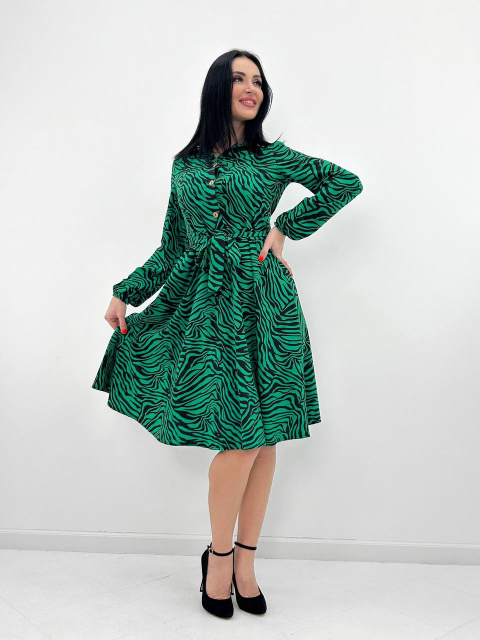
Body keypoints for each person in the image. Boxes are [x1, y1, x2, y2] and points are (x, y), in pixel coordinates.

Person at [92, 48, 363, 619]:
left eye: (258, 80)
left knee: (264, 438)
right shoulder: (185, 166)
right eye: (239, 78)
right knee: (240, 439)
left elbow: (345, 183)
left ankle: (244, 561)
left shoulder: (272, 157)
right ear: (218, 88)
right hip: (206, 312)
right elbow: (173, 245)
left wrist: (285, 227)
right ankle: (218, 557)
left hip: (267, 307)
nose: (251, 88)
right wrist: (127, 291)